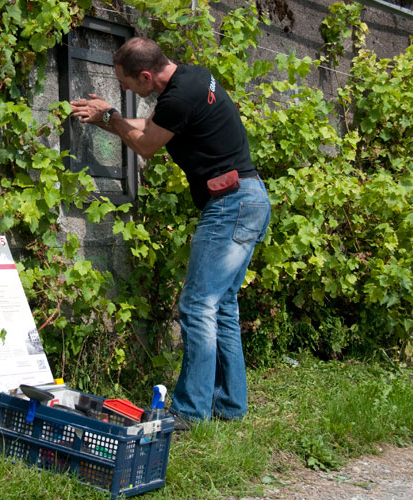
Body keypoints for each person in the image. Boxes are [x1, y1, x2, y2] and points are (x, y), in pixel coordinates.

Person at [70, 37, 271, 429]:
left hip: (230, 205)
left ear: (146, 75)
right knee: (223, 306)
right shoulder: (193, 78)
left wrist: (109, 117)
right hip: (249, 199)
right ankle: (229, 406)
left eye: (127, 82)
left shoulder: (177, 98)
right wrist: (112, 114)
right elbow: (154, 127)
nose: (126, 89)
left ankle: (191, 412)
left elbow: (146, 145)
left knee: (197, 306)